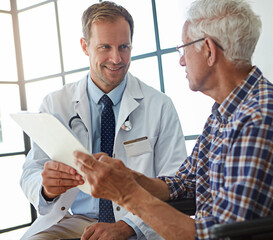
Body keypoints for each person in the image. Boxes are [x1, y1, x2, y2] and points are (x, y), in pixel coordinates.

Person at [74, 0, 273, 239]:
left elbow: (227, 234)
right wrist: (128, 177)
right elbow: (186, 182)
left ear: (208, 50)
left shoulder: (261, 118)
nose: (181, 60)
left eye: (184, 48)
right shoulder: (224, 113)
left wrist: (127, 193)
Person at [20, 1, 187, 240]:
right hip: (75, 220)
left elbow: (174, 183)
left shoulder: (160, 106)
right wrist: (46, 189)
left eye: (124, 47)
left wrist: (128, 227)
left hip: (138, 221)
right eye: (105, 47)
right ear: (85, 46)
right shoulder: (55, 104)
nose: (116, 58)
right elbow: (31, 171)